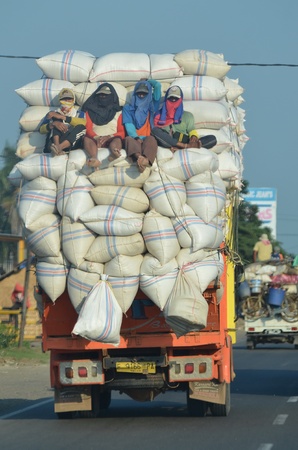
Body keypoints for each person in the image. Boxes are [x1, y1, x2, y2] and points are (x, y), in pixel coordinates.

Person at [151, 85, 217, 151]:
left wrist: (193, 136)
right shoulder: (158, 117)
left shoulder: (187, 116)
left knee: (212, 139)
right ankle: (184, 146)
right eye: (171, 99)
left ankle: (185, 147)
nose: (173, 101)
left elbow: (191, 130)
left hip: (184, 140)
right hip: (168, 142)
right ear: (166, 99)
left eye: (176, 99)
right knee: (154, 131)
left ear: (180, 100)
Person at [81, 83, 126, 168]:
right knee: (86, 138)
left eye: (105, 95)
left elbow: (121, 132)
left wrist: (109, 136)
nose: (103, 97)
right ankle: (94, 158)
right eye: (100, 95)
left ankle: (114, 153)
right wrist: (97, 138)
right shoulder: (90, 111)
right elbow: (88, 128)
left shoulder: (118, 112)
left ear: (111, 96)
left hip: (112, 138)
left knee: (117, 140)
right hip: (95, 139)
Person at [122, 79, 161, 173]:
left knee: (152, 139)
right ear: (135, 94)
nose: (141, 96)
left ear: (148, 95)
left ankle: (146, 160)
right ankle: (140, 158)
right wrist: (136, 137)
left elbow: (158, 86)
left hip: (146, 138)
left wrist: (148, 81)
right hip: (134, 138)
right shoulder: (128, 108)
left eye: (144, 94)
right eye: (139, 94)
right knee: (128, 139)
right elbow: (129, 125)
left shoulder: (151, 107)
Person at [39, 88, 86, 156]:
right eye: (64, 99)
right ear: (60, 100)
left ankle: (59, 148)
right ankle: (56, 146)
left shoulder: (79, 113)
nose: (67, 101)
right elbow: (41, 130)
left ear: (73, 100)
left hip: (72, 144)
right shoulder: (53, 113)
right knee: (56, 121)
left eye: (69, 99)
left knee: (81, 127)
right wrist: (53, 124)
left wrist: (63, 117)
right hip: (52, 144)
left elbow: (84, 123)